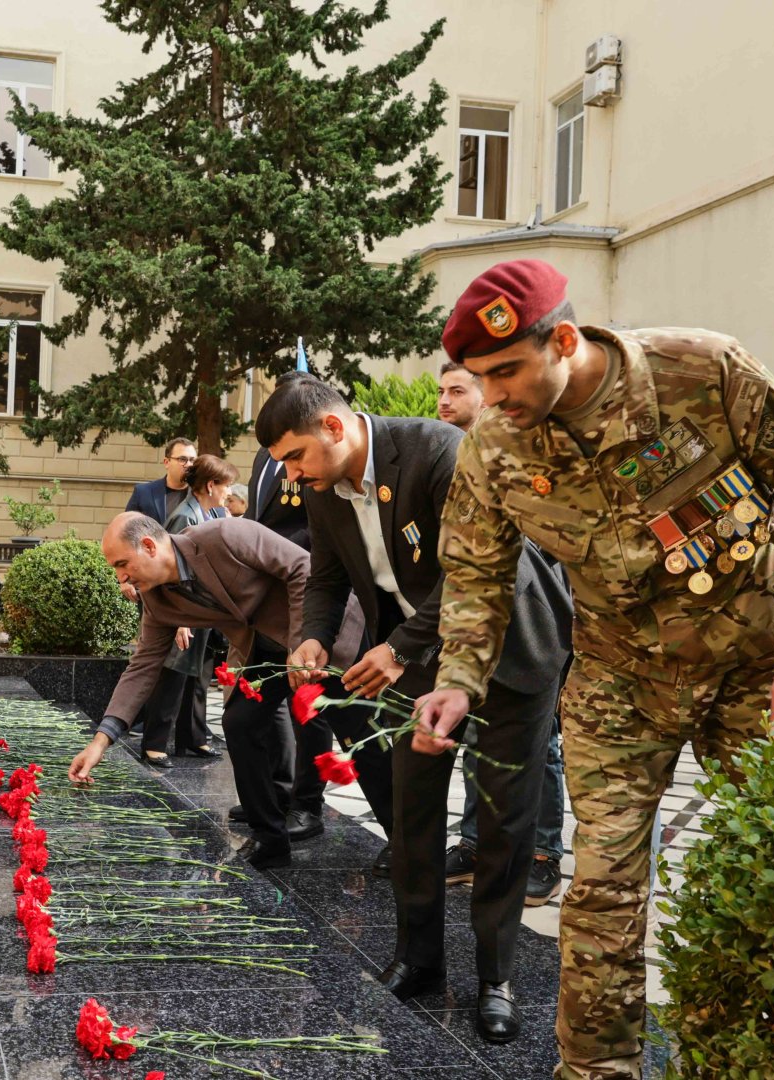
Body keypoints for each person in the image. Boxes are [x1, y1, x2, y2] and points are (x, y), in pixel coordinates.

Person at [411, 259, 774, 1080]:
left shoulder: (704, 370)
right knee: (602, 897)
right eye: (479, 377)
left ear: (565, 340)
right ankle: (596, 1072)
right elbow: (476, 569)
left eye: (506, 372)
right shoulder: (495, 444)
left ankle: (773, 1057)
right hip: (620, 681)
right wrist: (457, 678)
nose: (493, 394)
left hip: (753, 668)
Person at [261, 374, 572, 1045]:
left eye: (294, 456)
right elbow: (326, 575)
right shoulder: (322, 488)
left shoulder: (433, 450)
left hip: (507, 653)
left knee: (500, 821)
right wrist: (311, 633)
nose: (290, 474)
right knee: (413, 809)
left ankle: (496, 977)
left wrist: (398, 648)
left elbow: (473, 570)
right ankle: (419, 959)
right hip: (417, 658)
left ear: (334, 429)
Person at [69, 513, 363, 867]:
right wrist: (100, 742)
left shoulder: (226, 535)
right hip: (262, 651)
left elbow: (304, 569)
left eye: (122, 564)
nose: (121, 578)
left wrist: (303, 643)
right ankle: (271, 840)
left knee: (360, 733)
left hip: (324, 635)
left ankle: (405, 844)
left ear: (148, 546)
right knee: (239, 722)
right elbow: (143, 666)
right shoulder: (158, 601)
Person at [437, 359, 570, 907]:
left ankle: (543, 854)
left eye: (457, 390)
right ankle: (473, 841)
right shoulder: (457, 455)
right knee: (476, 738)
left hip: (540, 619)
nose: (445, 401)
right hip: (480, 623)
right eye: (440, 391)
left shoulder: (529, 446)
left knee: (544, 746)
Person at [241, 438, 333, 852]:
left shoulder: (311, 456)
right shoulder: (265, 456)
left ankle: (308, 804)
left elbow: (320, 529)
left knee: (309, 711)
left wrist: (271, 553)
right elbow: (256, 517)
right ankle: (273, 793)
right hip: (266, 604)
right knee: (256, 706)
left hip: (304, 593)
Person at [146, 455, 236, 766]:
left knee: (197, 677)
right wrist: (180, 621)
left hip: (202, 610)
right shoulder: (185, 516)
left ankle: (193, 738)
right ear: (211, 485)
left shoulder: (207, 514)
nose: (229, 492)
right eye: (226, 486)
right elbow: (173, 570)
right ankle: (154, 743)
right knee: (173, 676)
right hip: (185, 611)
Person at [126, 438, 197, 524]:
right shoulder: (143, 492)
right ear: (167, 462)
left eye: (192, 460)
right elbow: (127, 528)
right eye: (182, 459)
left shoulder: (200, 494)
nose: (189, 465)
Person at [437, 360, 486, 429]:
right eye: (441, 392)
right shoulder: (427, 437)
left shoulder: (501, 437)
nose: (443, 402)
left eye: (457, 392)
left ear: (485, 398)